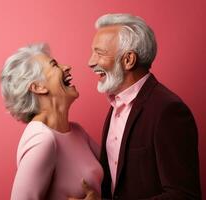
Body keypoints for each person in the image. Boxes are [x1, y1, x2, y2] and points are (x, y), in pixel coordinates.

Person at [86, 13, 201, 199]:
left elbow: (184, 195)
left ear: (128, 60)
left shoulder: (168, 111)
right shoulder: (116, 105)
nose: (90, 62)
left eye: (99, 53)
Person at [0, 43, 103, 200]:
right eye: (54, 65)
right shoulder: (42, 140)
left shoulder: (77, 131)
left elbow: (114, 181)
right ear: (38, 87)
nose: (67, 67)